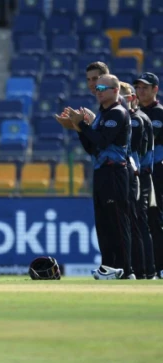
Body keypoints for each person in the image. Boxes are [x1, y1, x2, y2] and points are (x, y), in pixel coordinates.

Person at [67, 74, 134, 279]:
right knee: (103, 222)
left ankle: (125, 269)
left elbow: (103, 141)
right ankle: (108, 267)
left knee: (116, 220)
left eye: (103, 87)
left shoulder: (117, 113)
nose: (98, 90)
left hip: (115, 172)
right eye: (97, 87)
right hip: (101, 172)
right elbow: (91, 147)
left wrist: (84, 125)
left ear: (115, 91)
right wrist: (79, 127)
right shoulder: (103, 116)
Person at [119, 81, 150, 279]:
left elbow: (135, 151)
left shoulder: (136, 120)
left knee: (136, 223)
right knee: (130, 223)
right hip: (129, 174)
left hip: (135, 175)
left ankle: (142, 271)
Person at [134, 72, 163, 277]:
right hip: (140, 173)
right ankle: (146, 267)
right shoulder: (133, 114)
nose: (140, 90)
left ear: (155, 89)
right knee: (142, 221)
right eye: (138, 87)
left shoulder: (160, 113)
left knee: (155, 220)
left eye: (145, 87)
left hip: (157, 172)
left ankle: (159, 267)